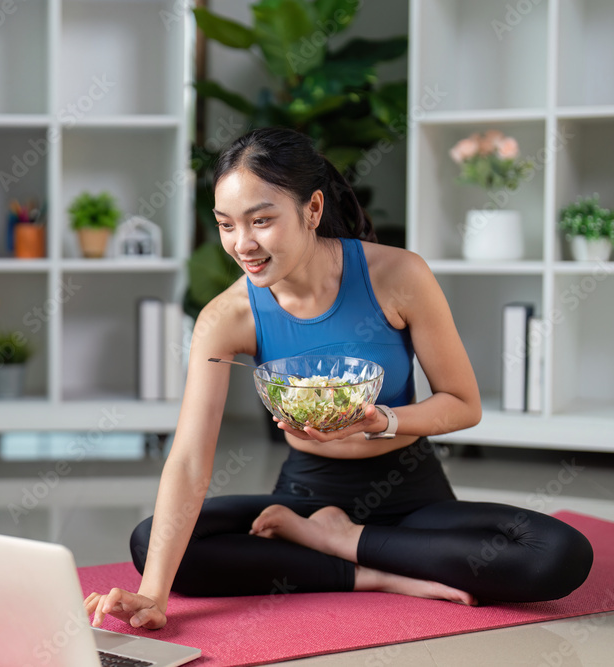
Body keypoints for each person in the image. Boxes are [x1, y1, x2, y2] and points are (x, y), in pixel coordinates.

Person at [84, 127, 594, 631]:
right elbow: (191, 457)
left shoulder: (399, 276)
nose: (243, 244)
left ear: (312, 210)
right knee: (151, 542)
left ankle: (338, 544)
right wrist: (154, 592)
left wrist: (379, 421)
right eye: (226, 225)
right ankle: (373, 573)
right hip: (305, 496)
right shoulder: (227, 316)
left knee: (557, 554)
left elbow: (463, 403)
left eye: (261, 221)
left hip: (411, 496)